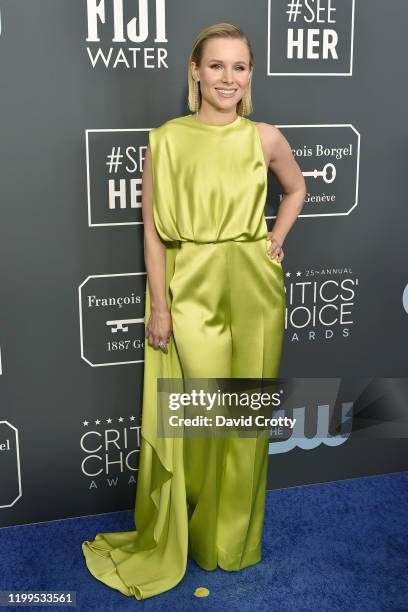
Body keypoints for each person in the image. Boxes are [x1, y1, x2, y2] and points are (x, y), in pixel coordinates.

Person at [81, 22, 306, 600]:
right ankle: (193, 534)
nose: (227, 78)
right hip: (193, 283)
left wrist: (275, 238)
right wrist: (161, 306)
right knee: (200, 420)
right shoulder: (167, 140)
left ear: (250, 75)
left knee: (246, 420)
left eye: (239, 67)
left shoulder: (264, 138)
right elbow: (154, 233)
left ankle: (233, 543)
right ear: (195, 71)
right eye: (216, 66)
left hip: (255, 285)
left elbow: (296, 188)